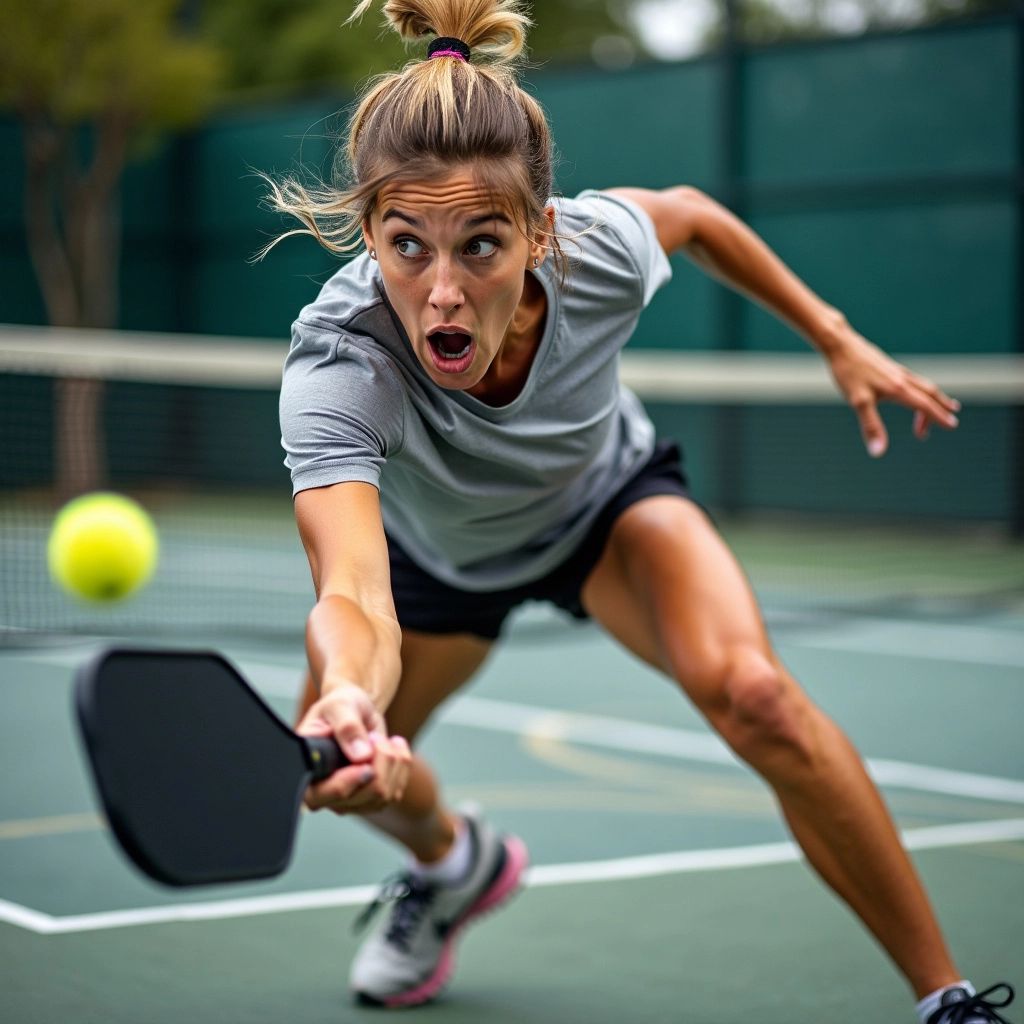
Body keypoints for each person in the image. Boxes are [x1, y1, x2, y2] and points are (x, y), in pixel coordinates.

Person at [268, 2, 1016, 1020]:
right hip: (437, 559)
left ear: (538, 230)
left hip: (603, 510)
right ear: (368, 233)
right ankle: (455, 865)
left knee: (757, 696)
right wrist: (349, 686)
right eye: (407, 246)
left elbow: (697, 216)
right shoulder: (338, 364)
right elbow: (354, 586)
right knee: (340, 771)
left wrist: (833, 335)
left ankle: (948, 999)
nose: (441, 290)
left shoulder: (598, 252)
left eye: (480, 246)